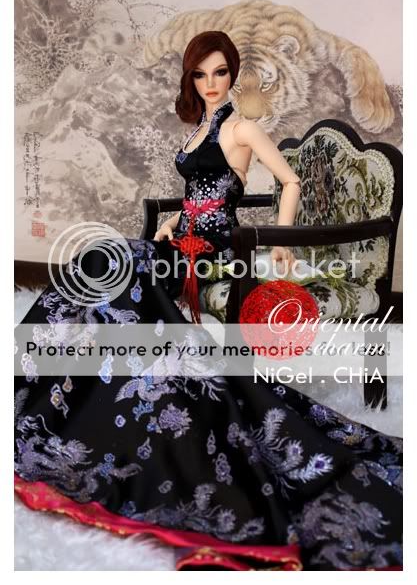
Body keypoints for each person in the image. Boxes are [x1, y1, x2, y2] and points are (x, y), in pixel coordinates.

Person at [14, 31, 402, 571]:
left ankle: (85, 394)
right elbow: (199, 194)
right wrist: (175, 218)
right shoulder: (199, 127)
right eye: (201, 74)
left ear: (232, 73)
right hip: (183, 243)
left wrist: (282, 242)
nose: (211, 83)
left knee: (115, 267)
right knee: (100, 261)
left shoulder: (241, 127)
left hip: (213, 252)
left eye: (220, 72)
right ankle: (48, 383)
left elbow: (289, 182)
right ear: (191, 78)